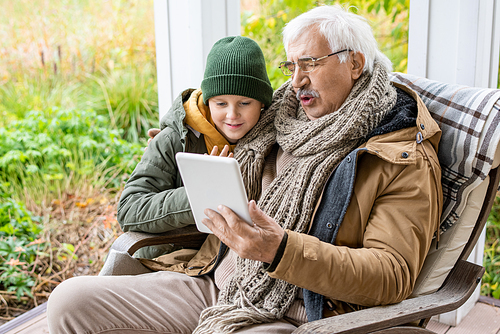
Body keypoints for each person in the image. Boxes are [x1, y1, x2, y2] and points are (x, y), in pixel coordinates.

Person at [46, 5, 442, 334]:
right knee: (70, 301)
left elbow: (390, 275)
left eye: (310, 63)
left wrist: (280, 249)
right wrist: (178, 143)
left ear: (354, 63)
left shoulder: (401, 155)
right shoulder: (281, 115)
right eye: (291, 66)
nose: (297, 80)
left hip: (295, 313)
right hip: (215, 281)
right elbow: (212, 112)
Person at [116, 35, 273, 259]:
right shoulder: (174, 139)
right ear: (208, 101)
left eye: (245, 103)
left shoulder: (270, 140)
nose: (232, 114)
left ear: (262, 103)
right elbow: (129, 210)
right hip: (171, 257)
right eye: (220, 103)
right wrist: (201, 194)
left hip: (232, 261)